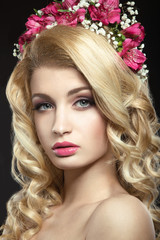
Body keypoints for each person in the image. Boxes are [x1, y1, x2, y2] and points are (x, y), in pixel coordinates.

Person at [1, 0, 160, 239]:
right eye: (44, 105)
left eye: (83, 102)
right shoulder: (33, 215)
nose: (59, 127)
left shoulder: (120, 215)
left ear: (115, 105)